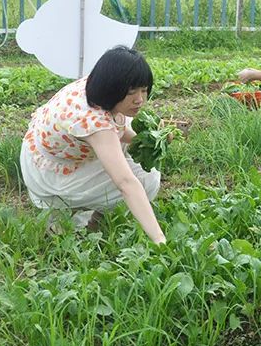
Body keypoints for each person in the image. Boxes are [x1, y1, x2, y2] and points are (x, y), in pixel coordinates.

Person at [19, 46, 166, 244]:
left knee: (128, 133)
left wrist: (155, 137)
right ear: (113, 87)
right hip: (50, 175)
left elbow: (123, 133)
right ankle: (78, 214)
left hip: (51, 150)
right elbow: (126, 183)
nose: (140, 99)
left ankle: (76, 214)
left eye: (144, 90)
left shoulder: (97, 87)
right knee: (146, 178)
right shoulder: (95, 123)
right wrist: (159, 240)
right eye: (132, 92)